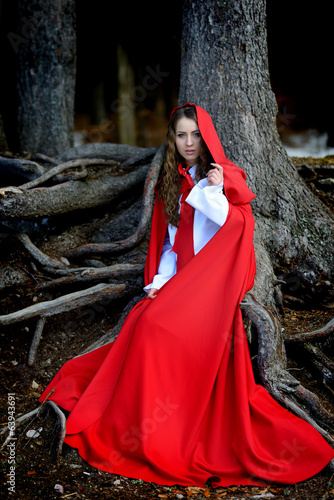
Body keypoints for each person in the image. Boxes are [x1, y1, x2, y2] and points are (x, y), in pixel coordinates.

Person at [39, 103, 334, 488]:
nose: (189, 142)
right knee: (144, 322)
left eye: (195, 134)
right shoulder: (172, 181)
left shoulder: (224, 177)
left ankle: (167, 433)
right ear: (172, 139)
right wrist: (162, 279)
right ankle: (139, 426)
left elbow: (236, 224)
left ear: (207, 138)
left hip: (211, 287)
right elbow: (170, 243)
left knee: (157, 328)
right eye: (181, 135)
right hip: (181, 281)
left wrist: (212, 189)